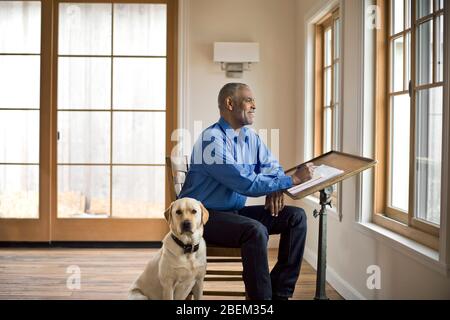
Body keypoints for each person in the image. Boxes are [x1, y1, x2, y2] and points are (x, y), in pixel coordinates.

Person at [178, 83, 314, 300]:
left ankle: (280, 294)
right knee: (255, 230)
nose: (254, 105)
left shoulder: (251, 138)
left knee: (296, 217)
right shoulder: (211, 141)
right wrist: (292, 179)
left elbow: (272, 168)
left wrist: (277, 187)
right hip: (203, 218)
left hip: (233, 214)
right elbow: (244, 183)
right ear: (230, 103)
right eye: (249, 100)